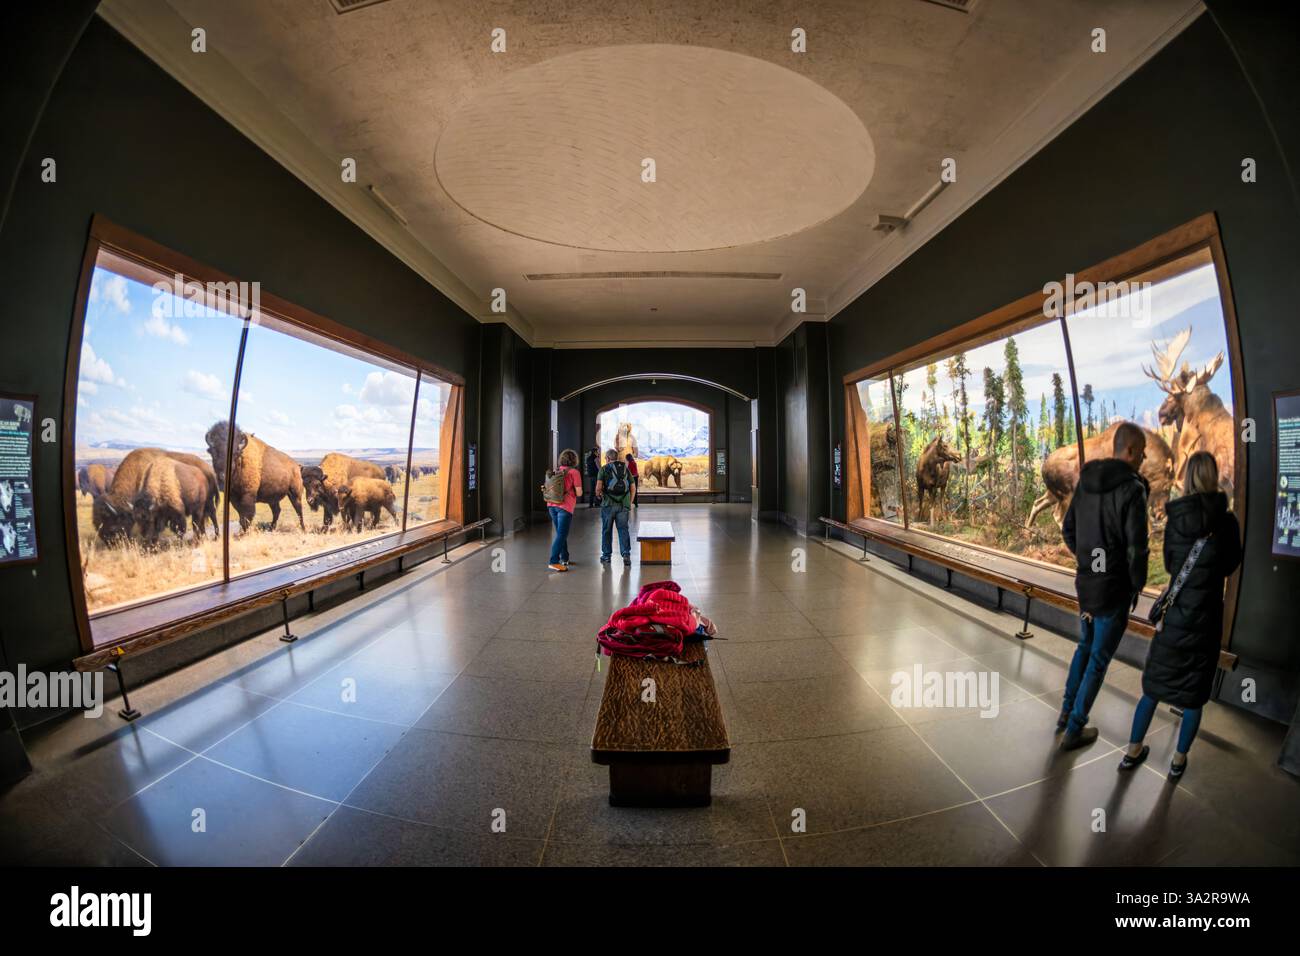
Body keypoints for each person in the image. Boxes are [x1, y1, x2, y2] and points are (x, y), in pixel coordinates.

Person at [1120, 451, 1240, 779]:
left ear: (1187, 478)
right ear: (1213, 477)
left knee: (1154, 687)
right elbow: (1231, 564)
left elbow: (1172, 566)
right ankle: (1178, 761)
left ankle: (1132, 751)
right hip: (1206, 620)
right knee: (1194, 695)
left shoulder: (1178, 518)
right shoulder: (1227, 522)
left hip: (1176, 616)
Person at [1058, 421, 1149, 751]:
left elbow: (1068, 530)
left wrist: (1086, 561)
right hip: (1114, 590)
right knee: (1098, 658)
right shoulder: (1133, 489)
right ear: (1128, 451)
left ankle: (1065, 712)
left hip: (1087, 585)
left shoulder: (1086, 482)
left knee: (1084, 648)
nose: (1143, 459)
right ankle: (1075, 728)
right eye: (1141, 453)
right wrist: (1136, 583)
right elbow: (1137, 548)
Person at [595, 448, 635, 566]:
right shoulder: (625, 469)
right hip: (623, 505)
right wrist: (630, 502)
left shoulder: (603, 469)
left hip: (608, 505)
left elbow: (598, 487)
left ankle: (606, 556)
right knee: (623, 529)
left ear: (607, 458)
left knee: (606, 530)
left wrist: (598, 496)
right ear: (617, 457)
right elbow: (633, 487)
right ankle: (626, 554)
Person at [545, 449, 582, 572]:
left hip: (552, 505)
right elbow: (579, 492)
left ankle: (564, 558)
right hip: (565, 507)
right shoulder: (574, 472)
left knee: (561, 533)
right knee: (562, 534)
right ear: (574, 460)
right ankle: (553, 561)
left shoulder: (556, 470)